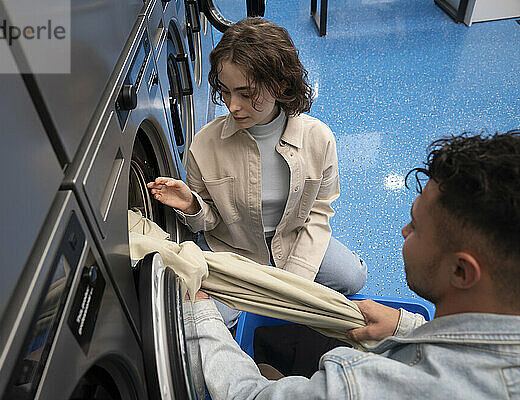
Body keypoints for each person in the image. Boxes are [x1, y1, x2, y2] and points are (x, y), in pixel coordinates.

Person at [191, 131, 520, 399]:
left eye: (416, 227)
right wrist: (408, 329)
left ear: (461, 272)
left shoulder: (361, 385)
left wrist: (201, 316)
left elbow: (248, 395)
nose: (404, 231)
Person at [148, 18, 367, 328]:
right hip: (233, 250)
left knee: (353, 276)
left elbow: (318, 214)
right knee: (199, 320)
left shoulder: (318, 139)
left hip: (292, 240)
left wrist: (293, 280)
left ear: (281, 84)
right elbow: (209, 222)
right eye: (225, 91)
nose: (233, 106)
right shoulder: (205, 145)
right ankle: (248, 305)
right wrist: (193, 205)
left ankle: (260, 301)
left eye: (247, 94)